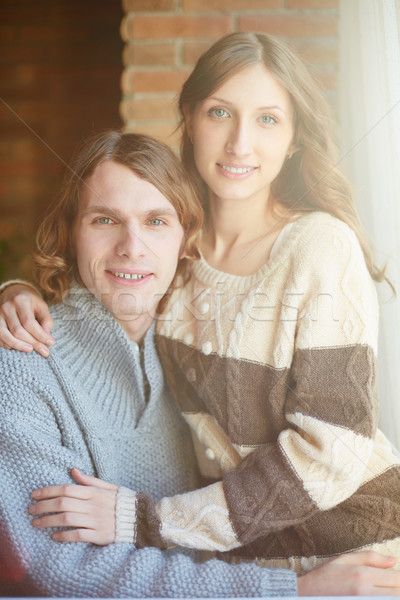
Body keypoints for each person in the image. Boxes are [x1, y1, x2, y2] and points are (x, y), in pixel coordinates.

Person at [2, 33, 400, 595]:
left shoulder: (319, 246)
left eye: (267, 119)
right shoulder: (177, 258)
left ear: (292, 140)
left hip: (355, 550)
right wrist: (14, 290)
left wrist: (147, 519)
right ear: (190, 118)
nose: (240, 143)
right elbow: (99, 288)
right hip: (252, 568)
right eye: (220, 113)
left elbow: (332, 450)